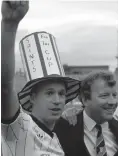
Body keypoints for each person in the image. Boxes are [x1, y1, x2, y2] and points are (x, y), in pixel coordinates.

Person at [1, 1, 80, 156]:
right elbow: (4, 87)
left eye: (62, 94)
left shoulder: (56, 137)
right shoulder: (21, 127)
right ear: (32, 97)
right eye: (49, 93)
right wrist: (9, 25)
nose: (57, 100)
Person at [54, 71, 118, 156]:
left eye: (114, 95)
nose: (112, 102)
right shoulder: (63, 128)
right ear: (85, 100)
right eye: (104, 96)